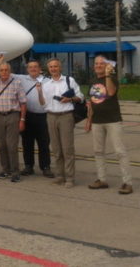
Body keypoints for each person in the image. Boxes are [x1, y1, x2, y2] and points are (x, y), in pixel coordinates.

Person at [86, 56, 133, 194]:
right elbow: (92, 102)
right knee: (98, 151)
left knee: (120, 151)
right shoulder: (92, 81)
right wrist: (89, 120)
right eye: (96, 63)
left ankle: (127, 182)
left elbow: (111, 92)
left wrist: (108, 74)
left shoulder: (111, 79)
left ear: (106, 66)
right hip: (97, 121)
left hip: (113, 120)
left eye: (101, 63)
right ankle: (102, 179)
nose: (98, 65)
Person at [39, 58, 83, 188]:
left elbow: (80, 97)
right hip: (51, 116)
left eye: (55, 66)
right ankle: (59, 176)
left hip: (66, 116)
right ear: (49, 69)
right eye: (51, 67)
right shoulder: (46, 84)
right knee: (56, 149)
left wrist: (70, 98)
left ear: (60, 67)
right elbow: (43, 103)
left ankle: (70, 178)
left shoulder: (69, 81)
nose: (53, 69)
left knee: (67, 149)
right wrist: (39, 92)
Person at [0, 59, 27, 183]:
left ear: (10, 71)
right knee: (2, 145)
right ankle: (5, 169)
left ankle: (15, 171)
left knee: (12, 146)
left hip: (13, 116)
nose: (4, 72)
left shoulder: (16, 83)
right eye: (1, 70)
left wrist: (22, 119)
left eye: (6, 70)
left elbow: (23, 103)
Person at [10, 59, 53, 177]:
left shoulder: (48, 81)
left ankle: (45, 167)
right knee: (27, 142)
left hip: (43, 116)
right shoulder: (22, 78)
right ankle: (29, 166)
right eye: (30, 67)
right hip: (27, 115)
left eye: (35, 67)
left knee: (44, 143)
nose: (33, 69)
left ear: (40, 69)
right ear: (27, 69)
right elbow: (7, 73)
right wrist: (0, 61)